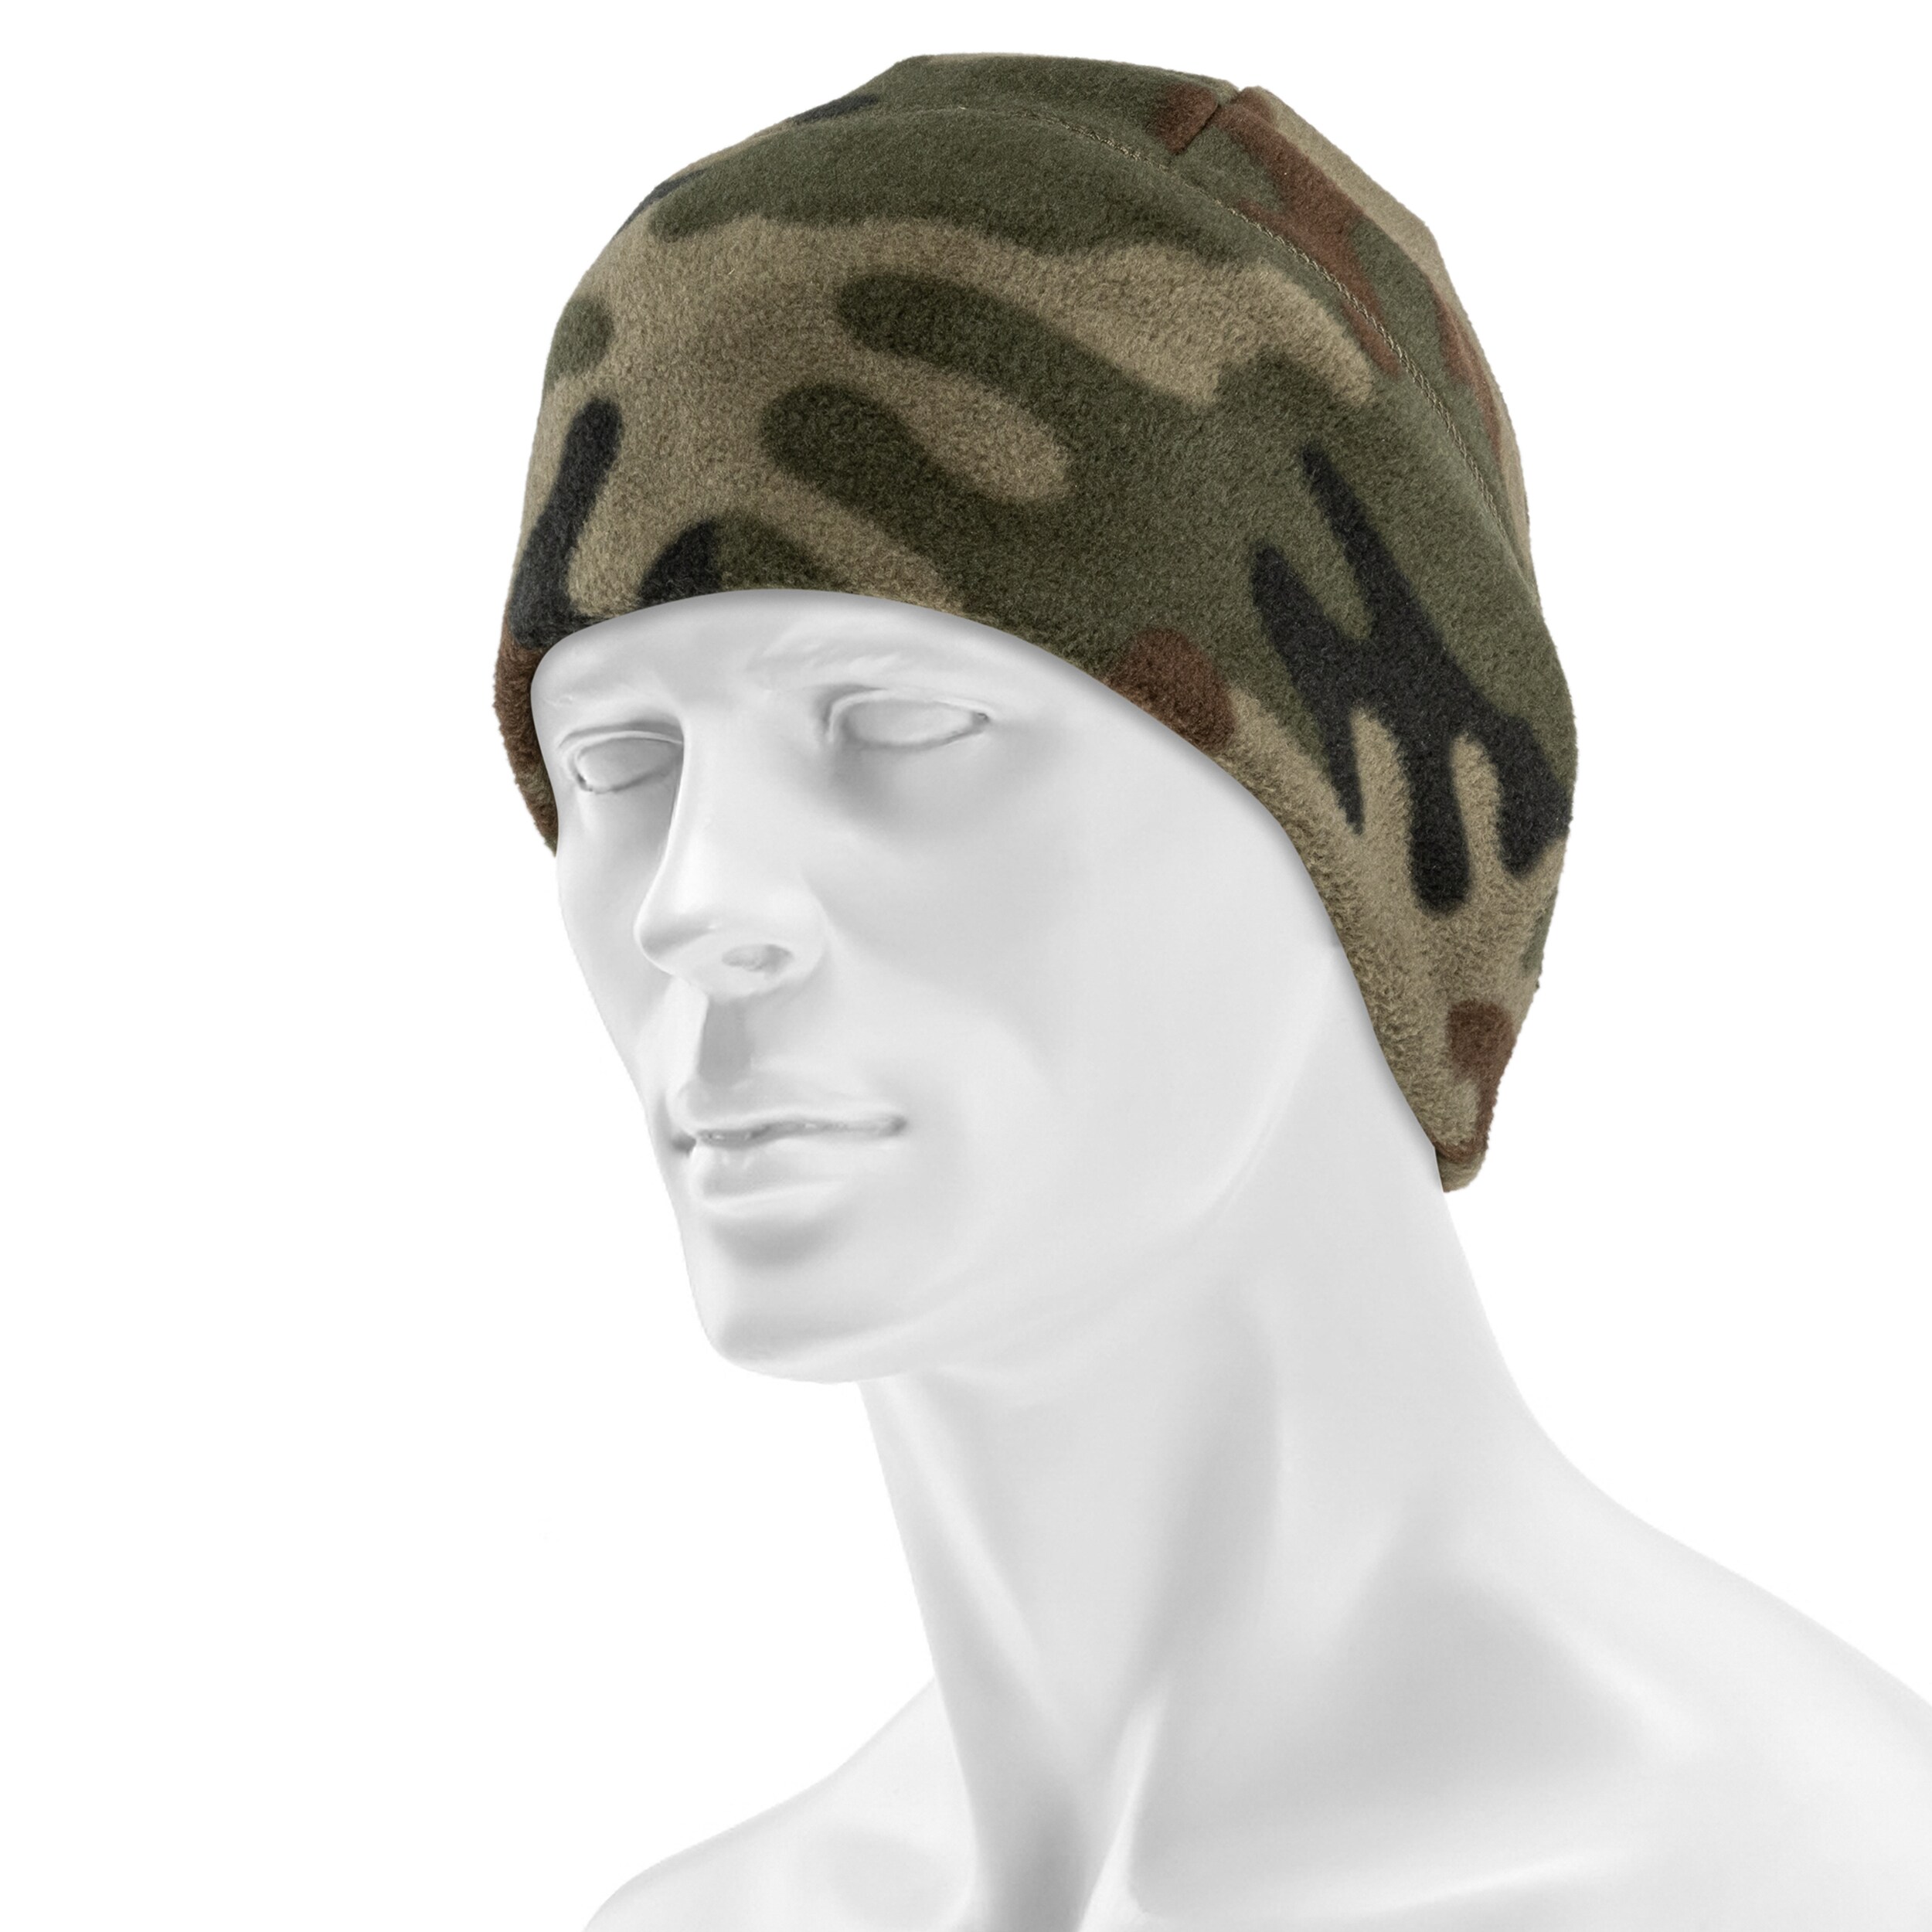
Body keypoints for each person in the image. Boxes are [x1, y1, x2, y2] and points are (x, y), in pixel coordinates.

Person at [497, 54, 1932, 1930]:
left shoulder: (1796, 1875)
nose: (700, 899)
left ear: (1350, 812)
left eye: (899, 721)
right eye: (615, 760)